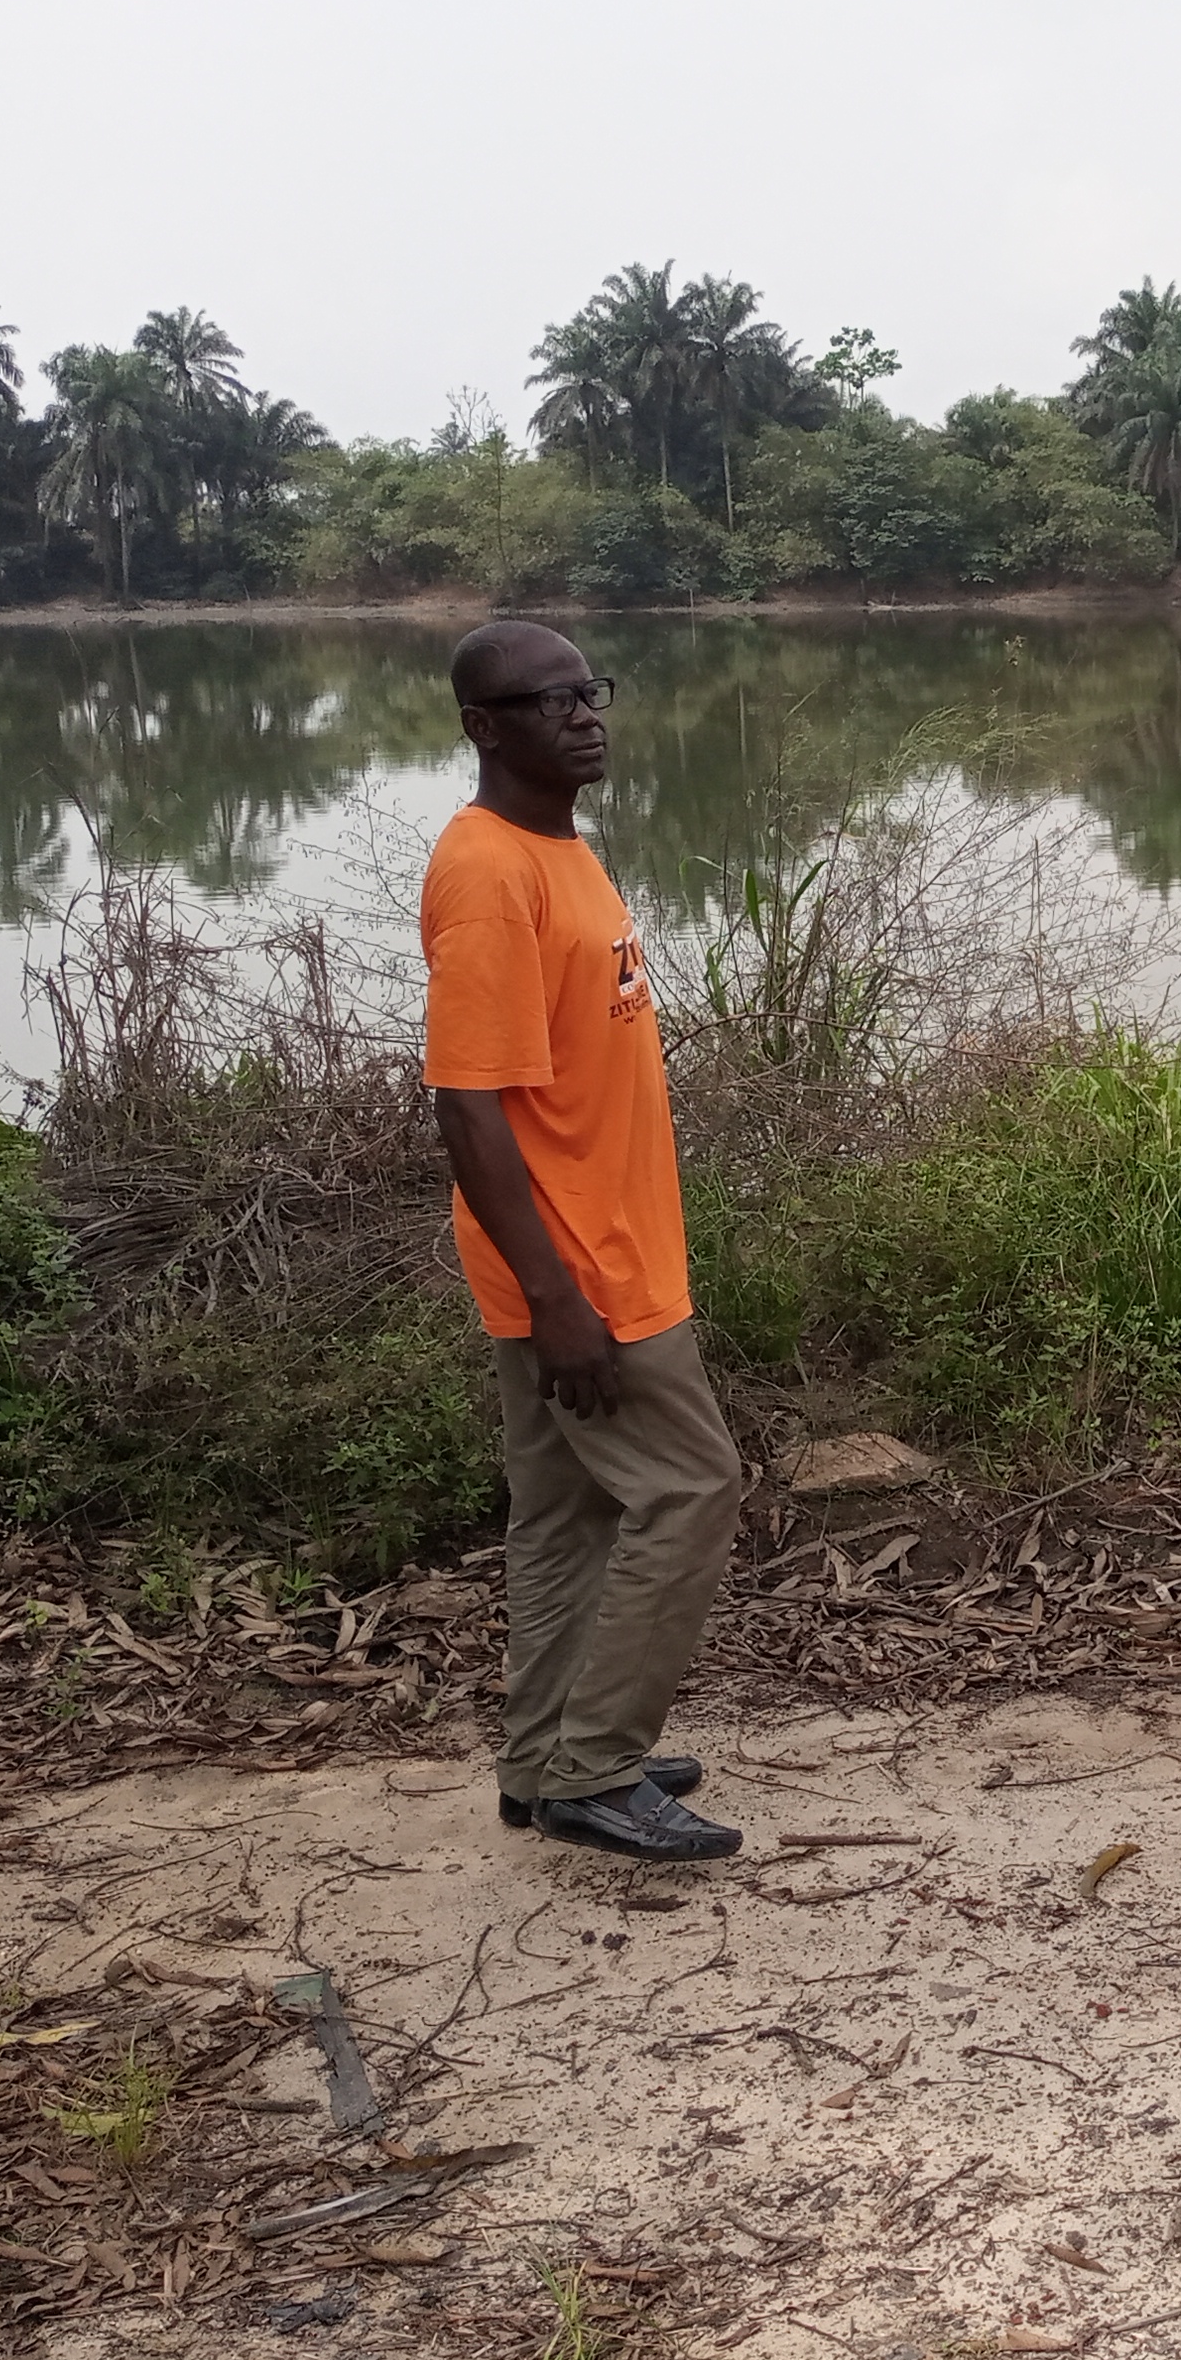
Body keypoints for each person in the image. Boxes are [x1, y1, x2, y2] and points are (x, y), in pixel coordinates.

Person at [422, 619, 748, 1864]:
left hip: (602, 1251)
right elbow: (469, 1104)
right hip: (581, 1274)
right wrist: (559, 1296)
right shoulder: (489, 874)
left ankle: (546, 1754)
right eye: (545, 701)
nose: (581, 714)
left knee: (566, 1516)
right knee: (690, 1489)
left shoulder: (558, 851)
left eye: (587, 692)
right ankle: (596, 1770)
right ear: (483, 728)